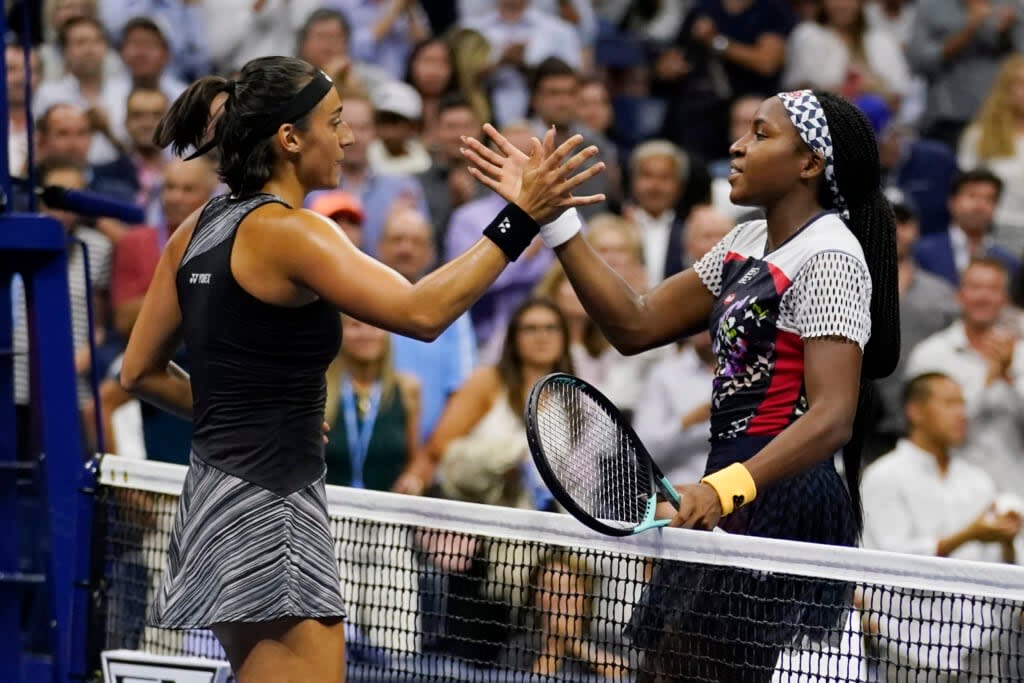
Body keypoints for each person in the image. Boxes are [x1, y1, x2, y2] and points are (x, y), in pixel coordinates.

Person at [119, 55, 603, 682]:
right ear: (290, 139)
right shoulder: (295, 233)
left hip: (215, 497)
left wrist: (245, 411)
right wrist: (522, 217)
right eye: (336, 121)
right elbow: (423, 313)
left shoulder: (195, 229)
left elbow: (138, 371)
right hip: (272, 510)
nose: (347, 138)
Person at [462, 88, 899, 681]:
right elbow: (636, 323)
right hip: (731, 486)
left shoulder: (832, 256)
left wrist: (726, 490)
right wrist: (555, 218)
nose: (737, 147)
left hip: (778, 495)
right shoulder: (746, 241)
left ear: (810, 164)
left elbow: (831, 417)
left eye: (761, 135)